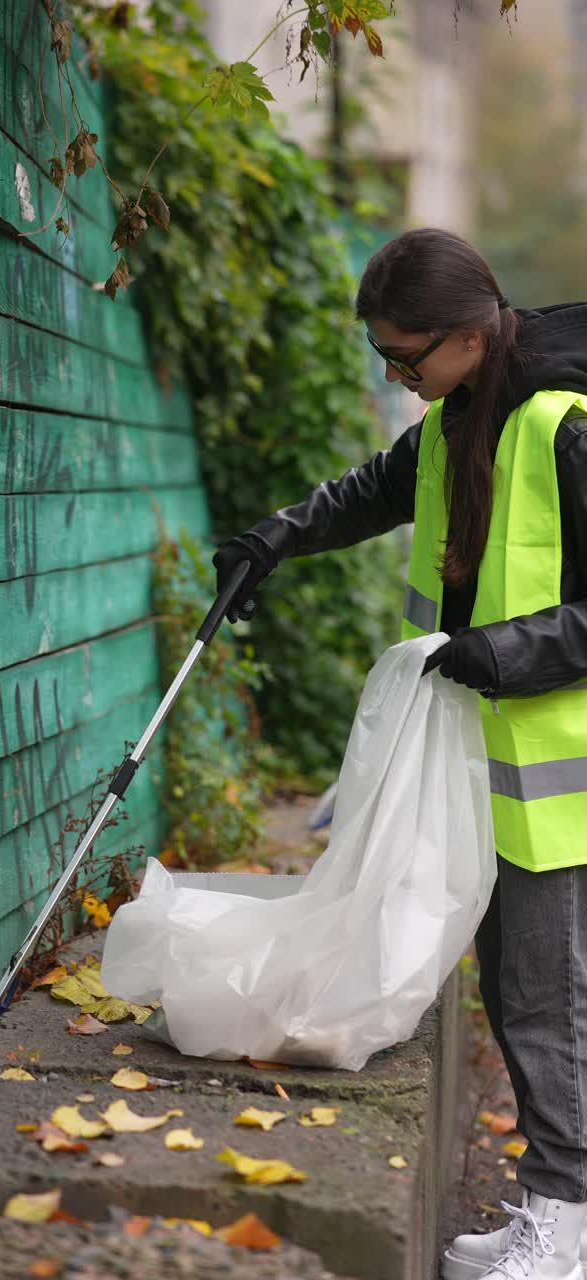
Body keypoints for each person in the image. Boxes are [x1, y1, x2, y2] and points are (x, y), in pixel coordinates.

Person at [213, 227, 587, 1280]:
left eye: (405, 357)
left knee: (549, 994)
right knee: (516, 992)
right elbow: (373, 490)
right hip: (481, 759)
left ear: (471, 334)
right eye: (385, 357)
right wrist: (276, 538)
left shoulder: (565, 423)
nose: (395, 376)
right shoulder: (458, 418)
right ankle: (548, 1206)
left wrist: (505, 649)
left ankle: (564, 1221)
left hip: (563, 774)